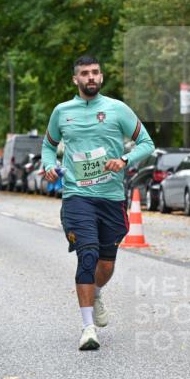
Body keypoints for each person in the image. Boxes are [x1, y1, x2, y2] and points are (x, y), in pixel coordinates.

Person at [41, 55, 155, 351]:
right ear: (75, 79)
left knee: (106, 263)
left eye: (94, 72)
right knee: (87, 254)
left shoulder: (118, 109)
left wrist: (124, 159)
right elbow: (48, 145)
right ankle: (88, 327)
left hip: (111, 197)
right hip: (77, 195)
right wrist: (48, 165)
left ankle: (96, 291)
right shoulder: (62, 112)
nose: (90, 77)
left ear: (101, 77)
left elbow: (147, 143)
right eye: (84, 73)